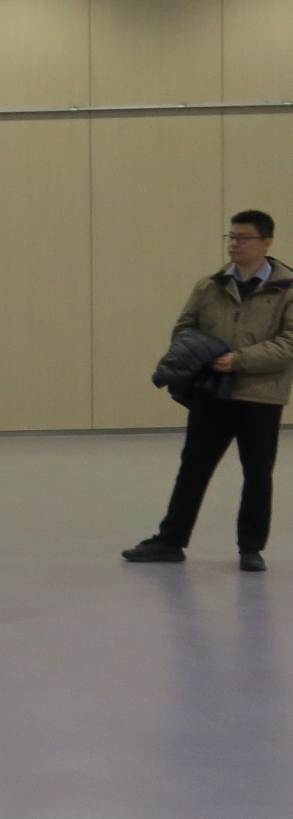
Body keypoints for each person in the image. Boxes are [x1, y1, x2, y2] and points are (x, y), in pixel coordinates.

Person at [123, 210, 293, 572]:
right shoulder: (209, 285)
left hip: (260, 395)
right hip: (212, 391)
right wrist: (202, 353)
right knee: (193, 468)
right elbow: (184, 327)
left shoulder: (288, 288)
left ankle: (251, 548)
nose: (234, 244)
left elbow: (289, 342)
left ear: (266, 243)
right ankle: (170, 541)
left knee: (257, 474)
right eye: (231, 237)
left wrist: (240, 360)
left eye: (244, 238)